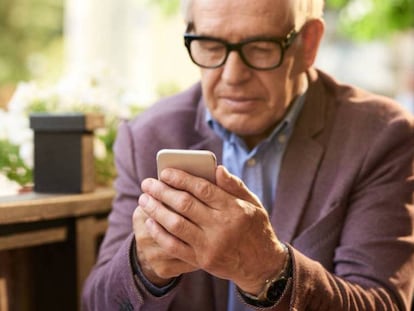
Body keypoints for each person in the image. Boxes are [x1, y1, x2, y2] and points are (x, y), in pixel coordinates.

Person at [82, 0, 414, 310]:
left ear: (308, 43)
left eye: (260, 48)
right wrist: (143, 268)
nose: (232, 75)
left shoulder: (380, 135)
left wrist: (269, 270)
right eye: (211, 46)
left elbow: (382, 302)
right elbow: (94, 301)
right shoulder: (146, 137)